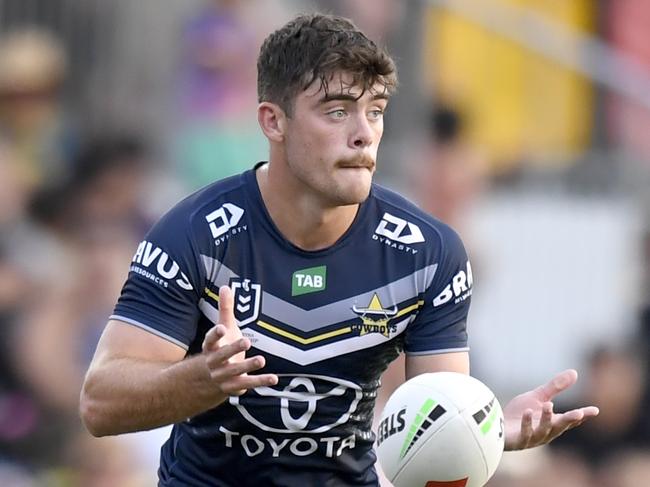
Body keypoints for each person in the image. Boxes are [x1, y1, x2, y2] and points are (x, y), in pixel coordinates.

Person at [80, 13, 599, 487]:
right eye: (337, 112)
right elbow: (100, 403)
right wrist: (204, 376)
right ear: (272, 121)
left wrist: (491, 431)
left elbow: (436, 416)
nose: (363, 135)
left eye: (375, 111)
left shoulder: (426, 254)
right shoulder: (194, 235)